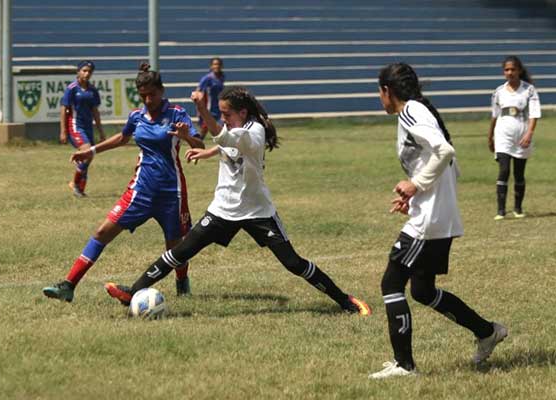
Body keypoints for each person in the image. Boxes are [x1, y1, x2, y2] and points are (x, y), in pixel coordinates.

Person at [102, 86, 372, 316]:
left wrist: (203, 110)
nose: (224, 118)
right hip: (222, 209)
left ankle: (345, 301)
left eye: (227, 114)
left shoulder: (255, 132)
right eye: (220, 113)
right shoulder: (238, 126)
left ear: (243, 113)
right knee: (181, 252)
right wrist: (207, 152)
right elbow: (224, 144)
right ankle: (132, 292)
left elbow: (228, 138)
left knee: (293, 263)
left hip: (257, 211)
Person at [369, 63, 507, 379]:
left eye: (379, 91)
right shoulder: (420, 111)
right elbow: (448, 165)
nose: (379, 98)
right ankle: (487, 332)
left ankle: (404, 365)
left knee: (391, 283)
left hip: (431, 219)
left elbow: (444, 151)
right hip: (436, 214)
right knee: (422, 290)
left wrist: (416, 186)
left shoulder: (410, 112)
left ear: (387, 91)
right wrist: (415, 194)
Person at [42, 63, 204, 302]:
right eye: (143, 96)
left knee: (175, 245)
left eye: (152, 94)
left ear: (162, 91)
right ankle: (68, 285)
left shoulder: (177, 114)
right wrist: (92, 151)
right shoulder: (136, 116)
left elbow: (199, 146)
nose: (148, 99)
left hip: (172, 192)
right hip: (140, 190)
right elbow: (122, 138)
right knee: (101, 232)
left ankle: (182, 285)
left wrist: (186, 137)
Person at [488, 55, 541, 220]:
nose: (509, 72)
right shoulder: (498, 92)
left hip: (521, 136)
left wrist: (529, 133)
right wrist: (490, 137)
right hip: (503, 135)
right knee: (504, 170)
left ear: (519, 70)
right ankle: (501, 210)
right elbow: (494, 116)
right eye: (506, 70)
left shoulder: (529, 90)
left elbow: (534, 114)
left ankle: (518, 208)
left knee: (519, 173)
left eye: (513, 69)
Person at [60, 60, 106, 198]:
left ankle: (79, 188)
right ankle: (75, 184)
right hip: (75, 126)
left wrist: (101, 131)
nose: (87, 74)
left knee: (88, 156)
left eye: (89, 71)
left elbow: (95, 111)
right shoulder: (72, 89)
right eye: (84, 70)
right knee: (87, 152)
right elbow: (64, 109)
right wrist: (63, 131)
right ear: (78, 72)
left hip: (87, 127)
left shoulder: (92, 91)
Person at [196, 57, 225, 137]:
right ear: (211, 66)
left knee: (222, 131)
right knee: (203, 131)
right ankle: (195, 146)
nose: (217, 66)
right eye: (215, 64)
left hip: (219, 110)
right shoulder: (207, 79)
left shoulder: (221, 77)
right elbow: (198, 92)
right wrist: (199, 108)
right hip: (209, 110)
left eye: (219, 64)